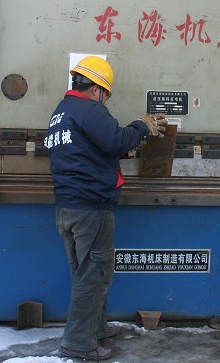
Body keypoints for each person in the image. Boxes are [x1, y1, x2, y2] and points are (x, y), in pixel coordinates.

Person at [46, 56, 167, 361]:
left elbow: (91, 150)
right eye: (106, 95)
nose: (106, 101)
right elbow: (113, 140)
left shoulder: (61, 112)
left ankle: (96, 329)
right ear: (96, 89)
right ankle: (78, 344)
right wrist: (141, 127)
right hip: (91, 208)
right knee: (95, 275)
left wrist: (125, 146)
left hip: (68, 208)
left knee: (85, 275)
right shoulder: (89, 109)